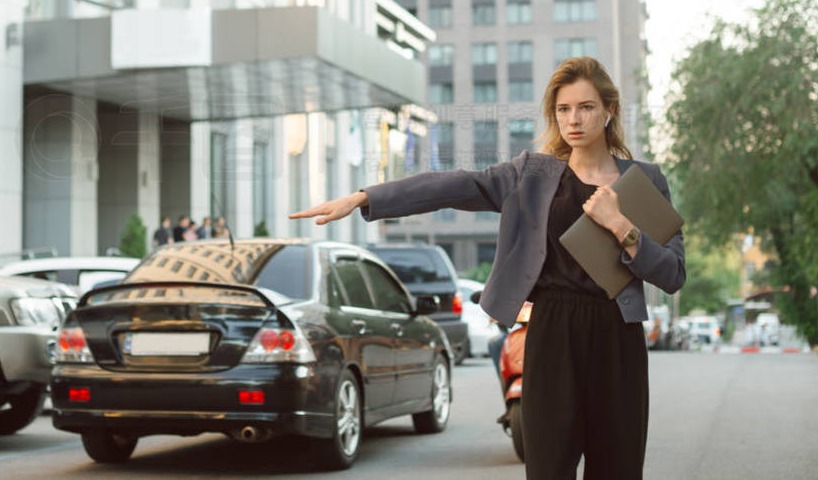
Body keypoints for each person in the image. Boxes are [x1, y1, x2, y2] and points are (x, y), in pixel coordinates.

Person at [289, 56, 685, 479]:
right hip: (552, 332)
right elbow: (454, 184)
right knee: (548, 467)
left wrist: (622, 225)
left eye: (586, 107)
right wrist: (367, 197)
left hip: (616, 334)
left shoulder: (643, 181)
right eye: (563, 108)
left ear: (609, 110)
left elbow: (672, 274)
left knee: (618, 468)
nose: (574, 119)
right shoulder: (532, 175)